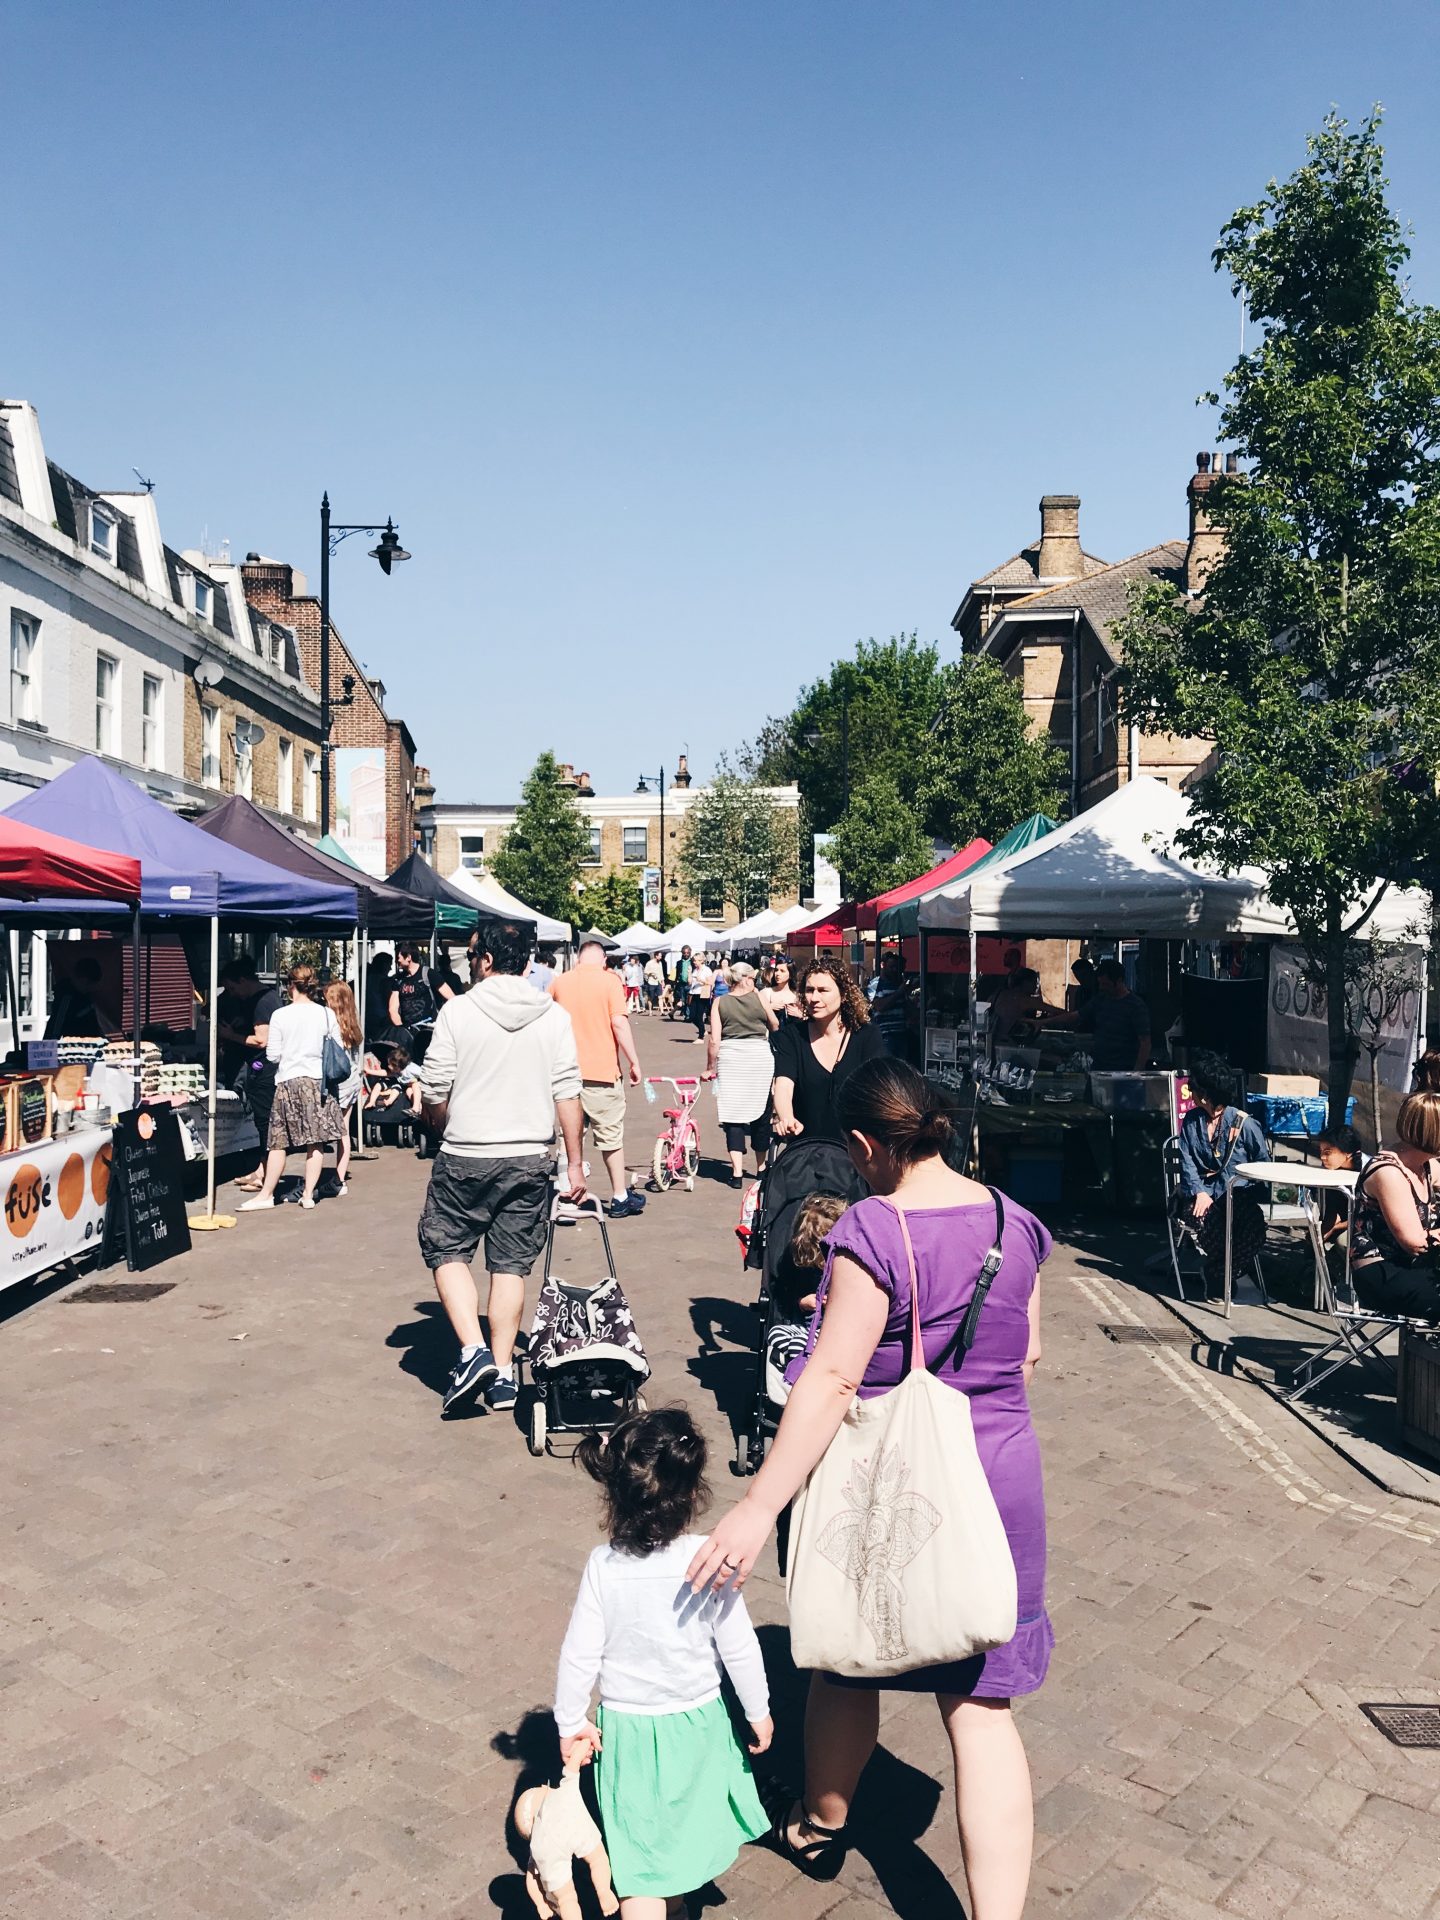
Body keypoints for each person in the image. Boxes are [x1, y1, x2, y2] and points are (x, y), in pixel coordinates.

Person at [688, 1058, 1051, 1911]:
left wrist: (755, 1506)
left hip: (891, 1486)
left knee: (848, 1662)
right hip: (999, 1478)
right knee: (982, 1705)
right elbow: (1027, 1354)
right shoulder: (1019, 1222)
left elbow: (830, 1381)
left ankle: (820, 1824)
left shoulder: (872, 1233)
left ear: (863, 1144)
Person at [556, 1409, 771, 1914]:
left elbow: (579, 1653)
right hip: (697, 1725)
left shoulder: (603, 1566)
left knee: (642, 1857)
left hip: (628, 1731)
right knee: (679, 1839)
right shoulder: (710, 1556)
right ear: (693, 1492)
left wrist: (570, 1721)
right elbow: (739, 1645)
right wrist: (758, 1710)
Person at [418, 917, 587, 1418]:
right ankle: (504, 1374)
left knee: (445, 1245)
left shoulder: (458, 1012)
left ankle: (473, 1353)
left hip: (466, 1153)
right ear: (528, 963)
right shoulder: (553, 1016)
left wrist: (441, 1122)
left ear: (486, 961)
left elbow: (434, 1090)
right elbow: (568, 1092)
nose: (470, 966)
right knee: (511, 1263)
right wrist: (576, 1163)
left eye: (471, 957)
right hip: (531, 1155)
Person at [551, 935, 646, 1218]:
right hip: (602, 1072)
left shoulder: (559, 982)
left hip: (566, 1072)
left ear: (579, 958)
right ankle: (619, 1197)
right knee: (610, 1137)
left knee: (569, 1138)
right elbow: (619, 1022)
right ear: (603, 960)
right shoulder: (610, 982)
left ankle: (568, 1198)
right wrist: (634, 1061)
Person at [239, 965, 344, 1213]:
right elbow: (337, 1047)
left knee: (278, 1142)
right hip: (317, 1082)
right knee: (315, 1141)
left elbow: (273, 1055)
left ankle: (267, 1194)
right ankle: (308, 1194)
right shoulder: (326, 1014)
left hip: (288, 1081)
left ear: (290, 985)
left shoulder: (280, 1015)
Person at [1174, 1050, 1270, 1292]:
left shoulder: (1244, 1125)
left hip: (1238, 1197)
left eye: (1193, 1089)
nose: (1191, 1094)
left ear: (1204, 1094)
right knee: (1206, 1223)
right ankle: (1229, 1270)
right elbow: (1187, 1163)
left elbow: (1263, 1165)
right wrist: (1199, 1192)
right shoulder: (1191, 1121)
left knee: (1254, 1229)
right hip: (1201, 1196)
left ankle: (1217, 1271)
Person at [771, 956, 886, 1144]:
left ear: (844, 993)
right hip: (805, 1151)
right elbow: (783, 1084)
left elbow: (878, 1090)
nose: (814, 998)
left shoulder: (867, 1036)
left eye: (823, 990)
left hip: (856, 1154)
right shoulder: (791, 1037)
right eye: (809, 990)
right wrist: (786, 1117)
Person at [1351, 1091, 1440, 1320]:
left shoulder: (1426, 1165)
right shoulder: (1389, 1173)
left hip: (1413, 1268)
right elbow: (1416, 1244)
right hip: (1382, 1274)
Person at [763, 1191, 847, 1404]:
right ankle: (797, 1381)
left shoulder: (849, 1262)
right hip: (807, 1323)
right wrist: (802, 1302)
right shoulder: (797, 1263)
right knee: (780, 1336)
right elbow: (782, 1292)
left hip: (840, 1328)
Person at [703, 961, 778, 1186]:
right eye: (753, 978)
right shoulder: (759, 998)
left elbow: (714, 1040)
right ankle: (761, 1168)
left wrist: (709, 1067)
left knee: (733, 1114)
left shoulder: (720, 1002)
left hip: (731, 1058)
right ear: (745, 978)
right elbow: (774, 1024)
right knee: (761, 1112)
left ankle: (736, 1173)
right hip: (759, 1056)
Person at [230, 961, 284, 1194]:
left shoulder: (264, 1002)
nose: (233, 994)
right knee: (262, 1122)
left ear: (242, 980)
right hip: (261, 1068)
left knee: (265, 1122)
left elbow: (262, 1039)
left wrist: (230, 1035)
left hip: (264, 1069)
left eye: (232, 988)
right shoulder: (264, 999)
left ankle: (265, 1175)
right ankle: (261, 1170)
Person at [1044, 957, 1150, 1071]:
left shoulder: (1135, 1006)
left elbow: (1145, 1042)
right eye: (1100, 983)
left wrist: (1136, 1073)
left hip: (1123, 1067)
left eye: (1105, 984)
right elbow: (1075, 1015)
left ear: (1119, 981)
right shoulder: (1100, 999)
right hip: (1100, 1065)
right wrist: (1043, 1022)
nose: (1101, 988)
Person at [323, 981, 364, 1194]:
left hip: (335, 1082)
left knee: (323, 1129)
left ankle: (330, 1178)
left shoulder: (330, 1027)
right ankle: (340, 1176)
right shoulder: (353, 1025)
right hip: (351, 1080)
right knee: (344, 1131)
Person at [1316, 1122, 1364, 1261]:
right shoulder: (1332, 1170)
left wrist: (1334, 1228)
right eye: (1321, 1152)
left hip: (1370, 1224)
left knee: (1343, 1242)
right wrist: (1327, 1228)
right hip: (1347, 1219)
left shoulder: (1367, 1172)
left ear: (1347, 1152)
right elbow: (1334, 1205)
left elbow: (1367, 1215)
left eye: (1328, 1152)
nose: (1322, 1158)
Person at [986, 968, 1061, 1049]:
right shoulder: (1025, 1000)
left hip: (989, 1044)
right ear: (1026, 982)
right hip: (1009, 1045)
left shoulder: (996, 995)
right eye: (1034, 981)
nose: (1036, 985)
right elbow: (1056, 1011)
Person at [388, 940, 439, 1060]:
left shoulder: (428, 974)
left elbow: (451, 998)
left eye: (398, 957)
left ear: (409, 957)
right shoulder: (398, 980)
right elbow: (392, 1009)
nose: (397, 960)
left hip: (428, 1031)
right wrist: (403, 1029)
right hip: (408, 1034)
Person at [687, 956, 715, 1042]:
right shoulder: (695, 970)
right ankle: (702, 1030)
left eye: (696, 961)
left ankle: (700, 1037)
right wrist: (689, 973)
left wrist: (702, 980)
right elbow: (689, 982)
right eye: (694, 961)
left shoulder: (707, 970)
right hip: (694, 993)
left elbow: (711, 983)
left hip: (702, 994)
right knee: (691, 1017)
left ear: (702, 961)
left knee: (699, 1016)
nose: (694, 962)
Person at [672, 945, 694, 1023]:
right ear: (682, 953)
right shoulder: (679, 963)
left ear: (690, 953)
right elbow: (677, 974)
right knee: (683, 1001)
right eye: (684, 953)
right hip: (681, 984)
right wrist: (675, 983)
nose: (686, 954)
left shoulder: (693, 962)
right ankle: (686, 1015)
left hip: (690, 984)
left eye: (687, 953)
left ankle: (688, 1016)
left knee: (689, 1001)